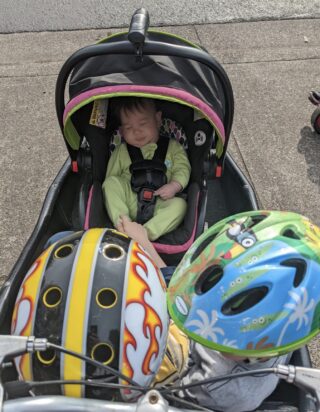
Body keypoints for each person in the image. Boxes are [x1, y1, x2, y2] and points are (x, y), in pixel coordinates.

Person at [121, 211, 320, 412]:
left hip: (175, 362)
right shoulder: (281, 325)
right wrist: (143, 243)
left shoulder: (223, 389)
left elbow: (164, 399)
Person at [102, 97, 191, 241]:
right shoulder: (121, 151)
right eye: (128, 128)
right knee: (110, 183)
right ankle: (123, 224)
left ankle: (146, 233)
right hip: (128, 199)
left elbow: (183, 168)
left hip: (161, 200)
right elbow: (111, 177)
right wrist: (114, 190)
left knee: (180, 205)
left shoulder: (173, 147)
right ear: (122, 130)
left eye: (143, 124)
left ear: (157, 119)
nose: (137, 132)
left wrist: (174, 185)